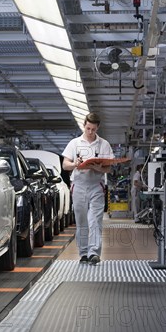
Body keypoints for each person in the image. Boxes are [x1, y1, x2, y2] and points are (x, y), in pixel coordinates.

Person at [62, 113, 114, 265]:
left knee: (95, 220)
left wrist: (100, 167)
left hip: (96, 186)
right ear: (84, 125)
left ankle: (94, 253)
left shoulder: (104, 144)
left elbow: (109, 168)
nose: (90, 132)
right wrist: (75, 165)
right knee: (82, 222)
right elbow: (65, 165)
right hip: (78, 186)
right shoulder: (74, 143)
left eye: (93, 129)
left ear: (98, 128)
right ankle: (83, 253)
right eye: (88, 128)